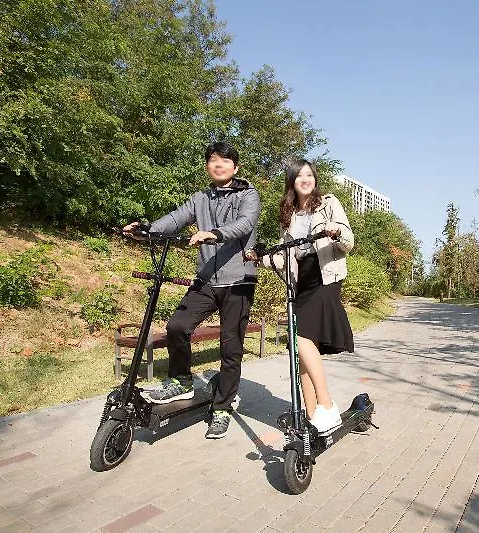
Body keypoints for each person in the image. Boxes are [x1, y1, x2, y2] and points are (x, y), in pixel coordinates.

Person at [122, 141, 260, 439]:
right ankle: (182, 382)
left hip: (238, 281)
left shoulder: (249, 195)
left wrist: (215, 233)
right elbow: (176, 219)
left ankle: (222, 407)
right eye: (212, 160)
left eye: (224, 160)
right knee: (176, 326)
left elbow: (245, 224)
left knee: (230, 345)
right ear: (208, 166)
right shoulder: (200, 198)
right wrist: (148, 230)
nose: (218, 164)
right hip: (207, 279)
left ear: (235, 167)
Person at [247, 159, 354, 434]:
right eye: (299, 175)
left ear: (314, 179)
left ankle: (327, 407)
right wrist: (261, 258)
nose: (305, 179)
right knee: (302, 351)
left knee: (300, 337)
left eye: (309, 174)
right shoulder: (289, 215)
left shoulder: (329, 203)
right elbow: (285, 257)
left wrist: (337, 232)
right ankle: (311, 415)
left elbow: (349, 242)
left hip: (326, 276)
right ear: (292, 182)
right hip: (301, 283)